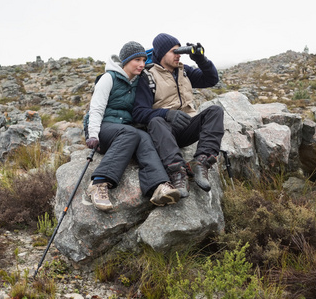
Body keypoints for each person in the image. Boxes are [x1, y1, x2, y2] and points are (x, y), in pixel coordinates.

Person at [85, 41, 180, 210]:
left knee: (143, 137)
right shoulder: (109, 78)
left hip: (125, 130)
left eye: (144, 60)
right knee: (131, 133)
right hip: (103, 128)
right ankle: (98, 183)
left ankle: (159, 186)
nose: (142, 64)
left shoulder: (139, 81)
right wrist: (92, 134)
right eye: (137, 60)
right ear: (126, 61)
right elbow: (96, 108)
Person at [132, 33, 224, 198]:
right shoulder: (147, 76)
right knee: (156, 121)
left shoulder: (184, 71)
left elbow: (211, 80)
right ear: (161, 54)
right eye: (174, 51)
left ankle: (200, 162)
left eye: (179, 51)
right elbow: (138, 112)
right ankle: (178, 173)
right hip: (165, 132)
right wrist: (167, 113)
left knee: (215, 111)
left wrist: (200, 59)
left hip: (187, 126)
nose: (178, 55)